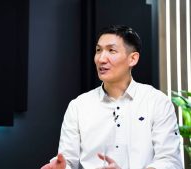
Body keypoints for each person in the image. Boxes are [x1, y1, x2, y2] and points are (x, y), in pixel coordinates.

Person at [41, 25, 182, 169]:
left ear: (132, 59)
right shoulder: (78, 106)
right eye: (98, 50)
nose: (101, 59)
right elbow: (68, 160)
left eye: (111, 51)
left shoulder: (157, 102)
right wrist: (61, 167)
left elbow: (170, 161)